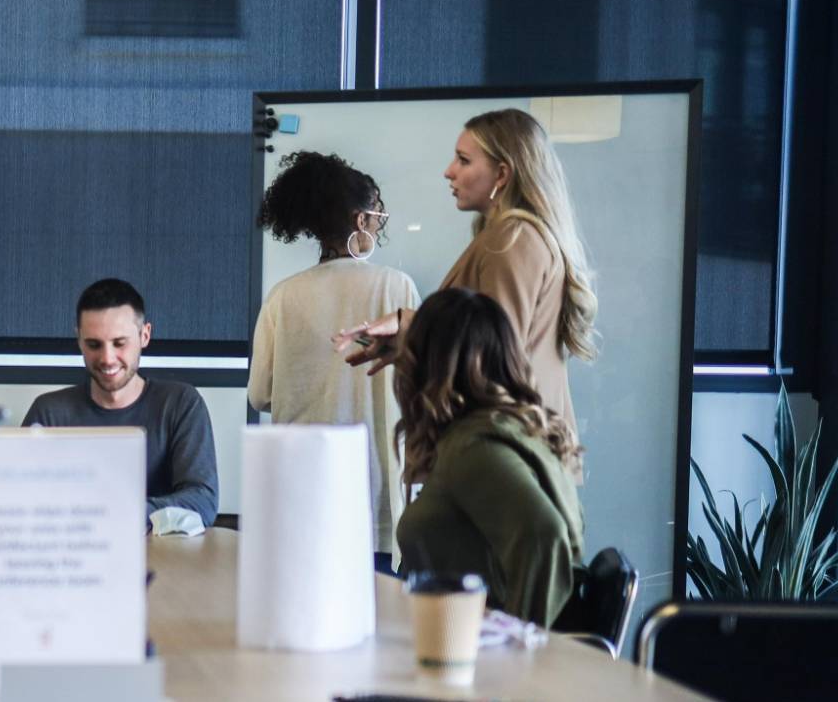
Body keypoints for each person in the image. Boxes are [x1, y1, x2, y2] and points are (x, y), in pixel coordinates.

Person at [337, 108, 597, 433]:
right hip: (514, 446)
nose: (449, 171)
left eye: (463, 160)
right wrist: (408, 337)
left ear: (501, 175)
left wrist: (411, 328)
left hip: (507, 450)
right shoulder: (513, 237)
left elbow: (495, 353)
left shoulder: (512, 239)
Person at [249, 151, 419, 568]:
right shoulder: (396, 289)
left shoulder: (283, 296)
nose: (380, 222)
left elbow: (259, 395)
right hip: (376, 495)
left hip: (302, 493)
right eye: (378, 213)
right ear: (360, 220)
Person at [392, 287, 585, 627]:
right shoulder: (504, 431)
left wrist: (518, 642)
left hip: (471, 656)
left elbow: (544, 534)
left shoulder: (474, 448)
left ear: (428, 364)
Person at [23, 278, 218, 528]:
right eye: (94, 344)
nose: (107, 358)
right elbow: (19, 501)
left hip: (166, 561)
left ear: (144, 335)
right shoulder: (48, 413)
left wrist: (112, 514)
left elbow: (202, 502)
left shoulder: (181, 404)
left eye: (119, 343)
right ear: (79, 340)